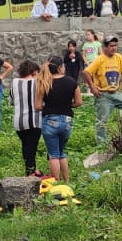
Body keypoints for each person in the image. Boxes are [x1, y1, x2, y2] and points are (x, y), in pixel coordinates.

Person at [36, 54, 81, 182]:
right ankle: (67, 181)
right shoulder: (72, 82)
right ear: (61, 67)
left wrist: (50, 107)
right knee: (61, 152)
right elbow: (78, 102)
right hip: (67, 121)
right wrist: (66, 106)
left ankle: (55, 182)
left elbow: (37, 105)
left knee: (53, 155)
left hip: (50, 120)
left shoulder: (44, 82)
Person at [86, 34, 122, 143]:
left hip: (116, 93)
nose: (114, 48)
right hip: (103, 94)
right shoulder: (100, 59)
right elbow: (86, 72)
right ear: (105, 47)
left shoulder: (118, 57)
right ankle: (102, 146)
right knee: (102, 121)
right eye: (111, 46)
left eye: (115, 45)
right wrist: (92, 87)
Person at [12, 59, 44, 175]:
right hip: (34, 121)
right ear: (35, 72)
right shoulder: (38, 82)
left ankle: (32, 169)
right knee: (32, 149)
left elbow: (11, 100)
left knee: (26, 146)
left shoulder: (14, 82)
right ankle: (30, 173)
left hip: (18, 121)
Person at [79, 29, 103, 96]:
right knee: (87, 76)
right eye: (86, 35)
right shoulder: (85, 44)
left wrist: (97, 62)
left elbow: (101, 54)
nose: (87, 36)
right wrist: (86, 62)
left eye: (89, 34)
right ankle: (88, 90)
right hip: (88, 63)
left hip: (96, 63)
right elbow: (83, 55)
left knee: (97, 76)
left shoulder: (97, 43)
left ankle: (97, 89)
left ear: (93, 35)